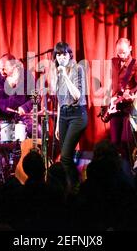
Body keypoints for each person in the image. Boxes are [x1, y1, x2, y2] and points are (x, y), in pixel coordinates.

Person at [52, 42, 87, 189]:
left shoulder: (77, 68)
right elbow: (60, 101)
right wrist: (58, 124)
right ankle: (69, 187)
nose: (61, 58)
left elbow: (77, 95)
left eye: (64, 54)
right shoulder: (58, 72)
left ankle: (75, 186)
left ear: (69, 54)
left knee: (65, 157)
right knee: (66, 155)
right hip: (64, 116)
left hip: (78, 115)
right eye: (58, 55)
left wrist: (65, 76)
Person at [0, 53, 37, 138]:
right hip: (2, 116)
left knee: (38, 131)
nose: (1, 72)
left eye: (4, 69)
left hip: (23, 117)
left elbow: (36, 98)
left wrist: (25, 107)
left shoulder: (27, 76)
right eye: (0, 69)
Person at [108, 38, 137, 172]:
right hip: (114, 106)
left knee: (125, 143)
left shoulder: (136, 65)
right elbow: (109, 83)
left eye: (123, 52)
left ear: (130, 48)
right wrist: (108, 100)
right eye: (118, 53)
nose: (121, 55)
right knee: (114, 143)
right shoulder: (113, 62)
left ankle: (127, 173)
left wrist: (133, 96)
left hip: (128, 108)